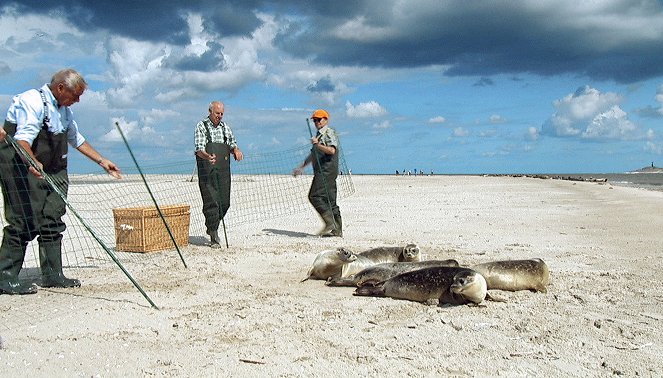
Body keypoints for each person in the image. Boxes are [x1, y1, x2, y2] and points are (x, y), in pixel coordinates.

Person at [0, 68, 122, 295]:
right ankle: (6, 277)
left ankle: (52, 274)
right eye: (75, 95)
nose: (77, 100)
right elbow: (22, 140)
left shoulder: (65, 111)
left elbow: (77, 139)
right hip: (20, 165)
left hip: (54, 169)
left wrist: (102, 161)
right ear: (61, 88)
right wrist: (33, 162)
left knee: (53, 219)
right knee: (23, 221)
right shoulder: (32, 101)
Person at [194, 101, 243, 248]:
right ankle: (214, 233)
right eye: (217, 113)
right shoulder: (201, 126)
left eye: (222, 114)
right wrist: (208, 156)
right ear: (210, 111)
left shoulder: (225, 128)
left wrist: (236, 151)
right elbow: (198, 149)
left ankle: (211, 225)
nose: (220, 116)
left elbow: (232, 143)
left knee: (225, 203)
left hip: (223, 169)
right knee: (211, 202)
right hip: (207, 170)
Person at [293, 109, 342, 237]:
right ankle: (337, 230)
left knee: (314, 196)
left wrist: (318, 145)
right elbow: (313, 155)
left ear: (326, 120)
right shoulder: (319, 135)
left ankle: (329, 222)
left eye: (319, 119)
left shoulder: (329, 133)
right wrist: (301, 167)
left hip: (327, 170)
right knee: (330, 200)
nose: (316, 122)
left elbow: (331, 150)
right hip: (323, 170)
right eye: (314, 120)